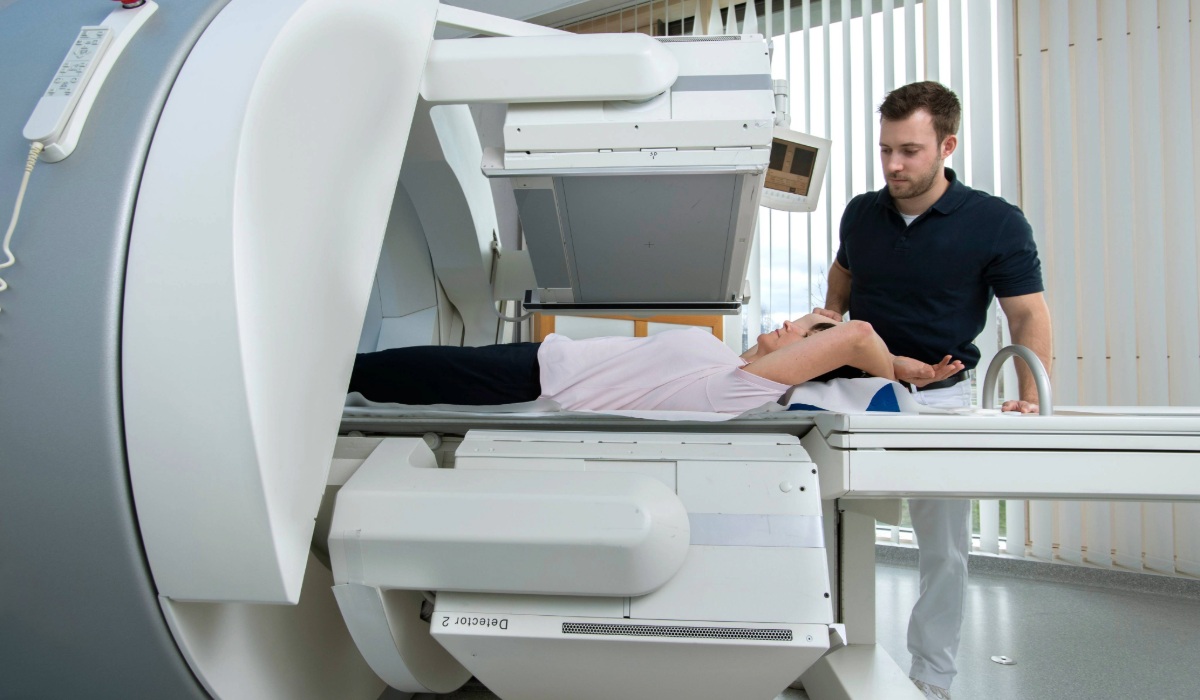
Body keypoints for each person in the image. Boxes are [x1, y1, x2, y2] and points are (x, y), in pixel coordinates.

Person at [812, 81, 1052, 700]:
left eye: (910, 151)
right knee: (829, 528)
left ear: (946, 145)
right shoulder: (863, 212)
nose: (893, 165)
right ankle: (826, 652)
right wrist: (831, 320)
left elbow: (1026, 315)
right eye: (886, 149)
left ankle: (933, 678)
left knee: (944, 548)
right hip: (856, 394)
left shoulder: (995, 221)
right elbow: (844, 268)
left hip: (939, 400)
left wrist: (1030, 394)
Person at [348, 314, 962, 414]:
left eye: (805, 333)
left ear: (808, 359)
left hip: (523, 384)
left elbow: (856, 336)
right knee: (372, 370)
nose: (791, 325)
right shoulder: (728, 356)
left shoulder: (739, 391)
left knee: (368, 377)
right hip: (536, 356)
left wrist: (899, 371)